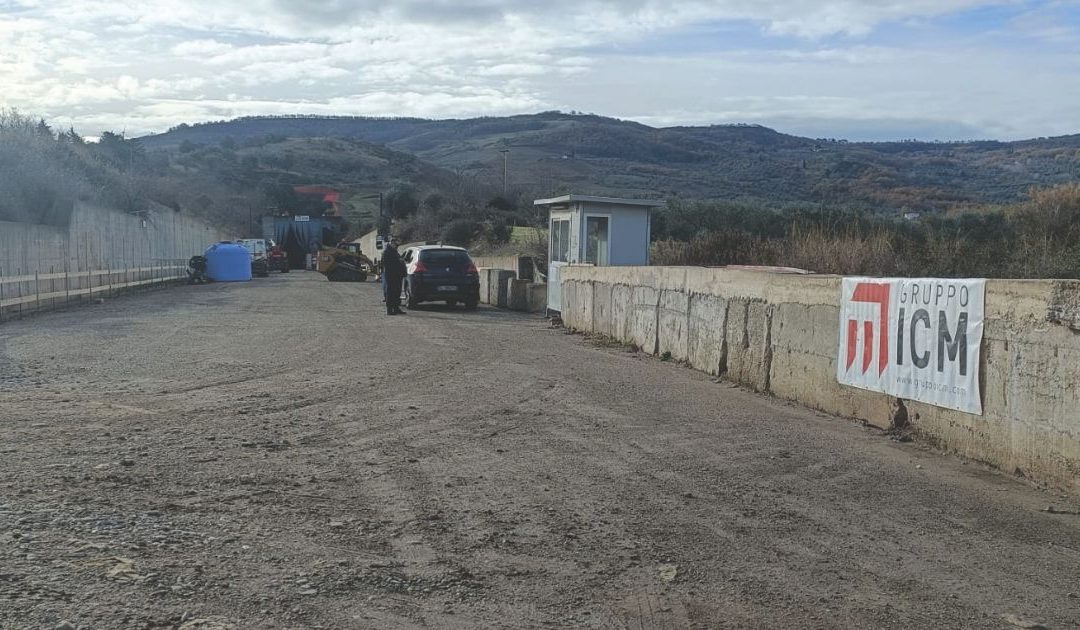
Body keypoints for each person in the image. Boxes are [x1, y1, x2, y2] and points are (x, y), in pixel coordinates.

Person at [381, 237, 407, 315]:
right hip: (391, 275)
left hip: (397, 275)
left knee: (397, 292)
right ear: (392, 243)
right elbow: (388, 265)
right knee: (390, 293)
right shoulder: (387, 252)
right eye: (396, 244)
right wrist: (399, 262)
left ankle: (396, 308)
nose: (396, 246)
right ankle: (389, 310)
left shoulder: (394, 251)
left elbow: (398, 261)